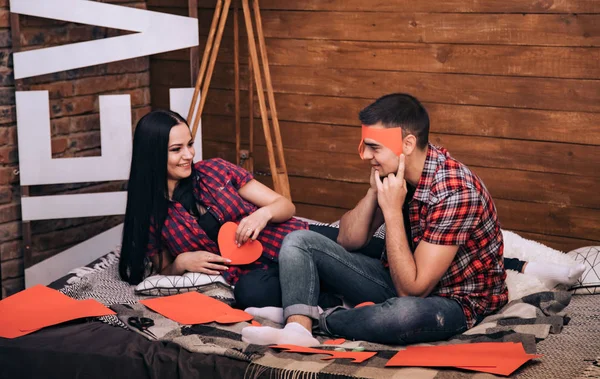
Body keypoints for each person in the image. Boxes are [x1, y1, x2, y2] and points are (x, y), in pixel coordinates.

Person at [241, 93, 584, 346]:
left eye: (374, 147)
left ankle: (322, 318)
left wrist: (392, 212)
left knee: (400, 316)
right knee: (299, 240)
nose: (365, 156)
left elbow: (413, 291)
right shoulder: (392, 172)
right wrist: (376, 193)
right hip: (397, 273)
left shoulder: (454, 190)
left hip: (454, 300)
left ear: (406, 143)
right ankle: (298, 328)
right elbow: (348, 241)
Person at [117, 109, 384, 309]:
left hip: (292, 238)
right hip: (255, 275)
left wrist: (262, 214)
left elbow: (285, 205)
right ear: (152, 154)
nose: (189, 155)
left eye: (189, 144)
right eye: (177, 149)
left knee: (371, 249)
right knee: (250, 295)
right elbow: (162, 269)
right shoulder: (150, 213)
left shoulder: (215, 171)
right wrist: (181, 263)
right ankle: (334, 298)